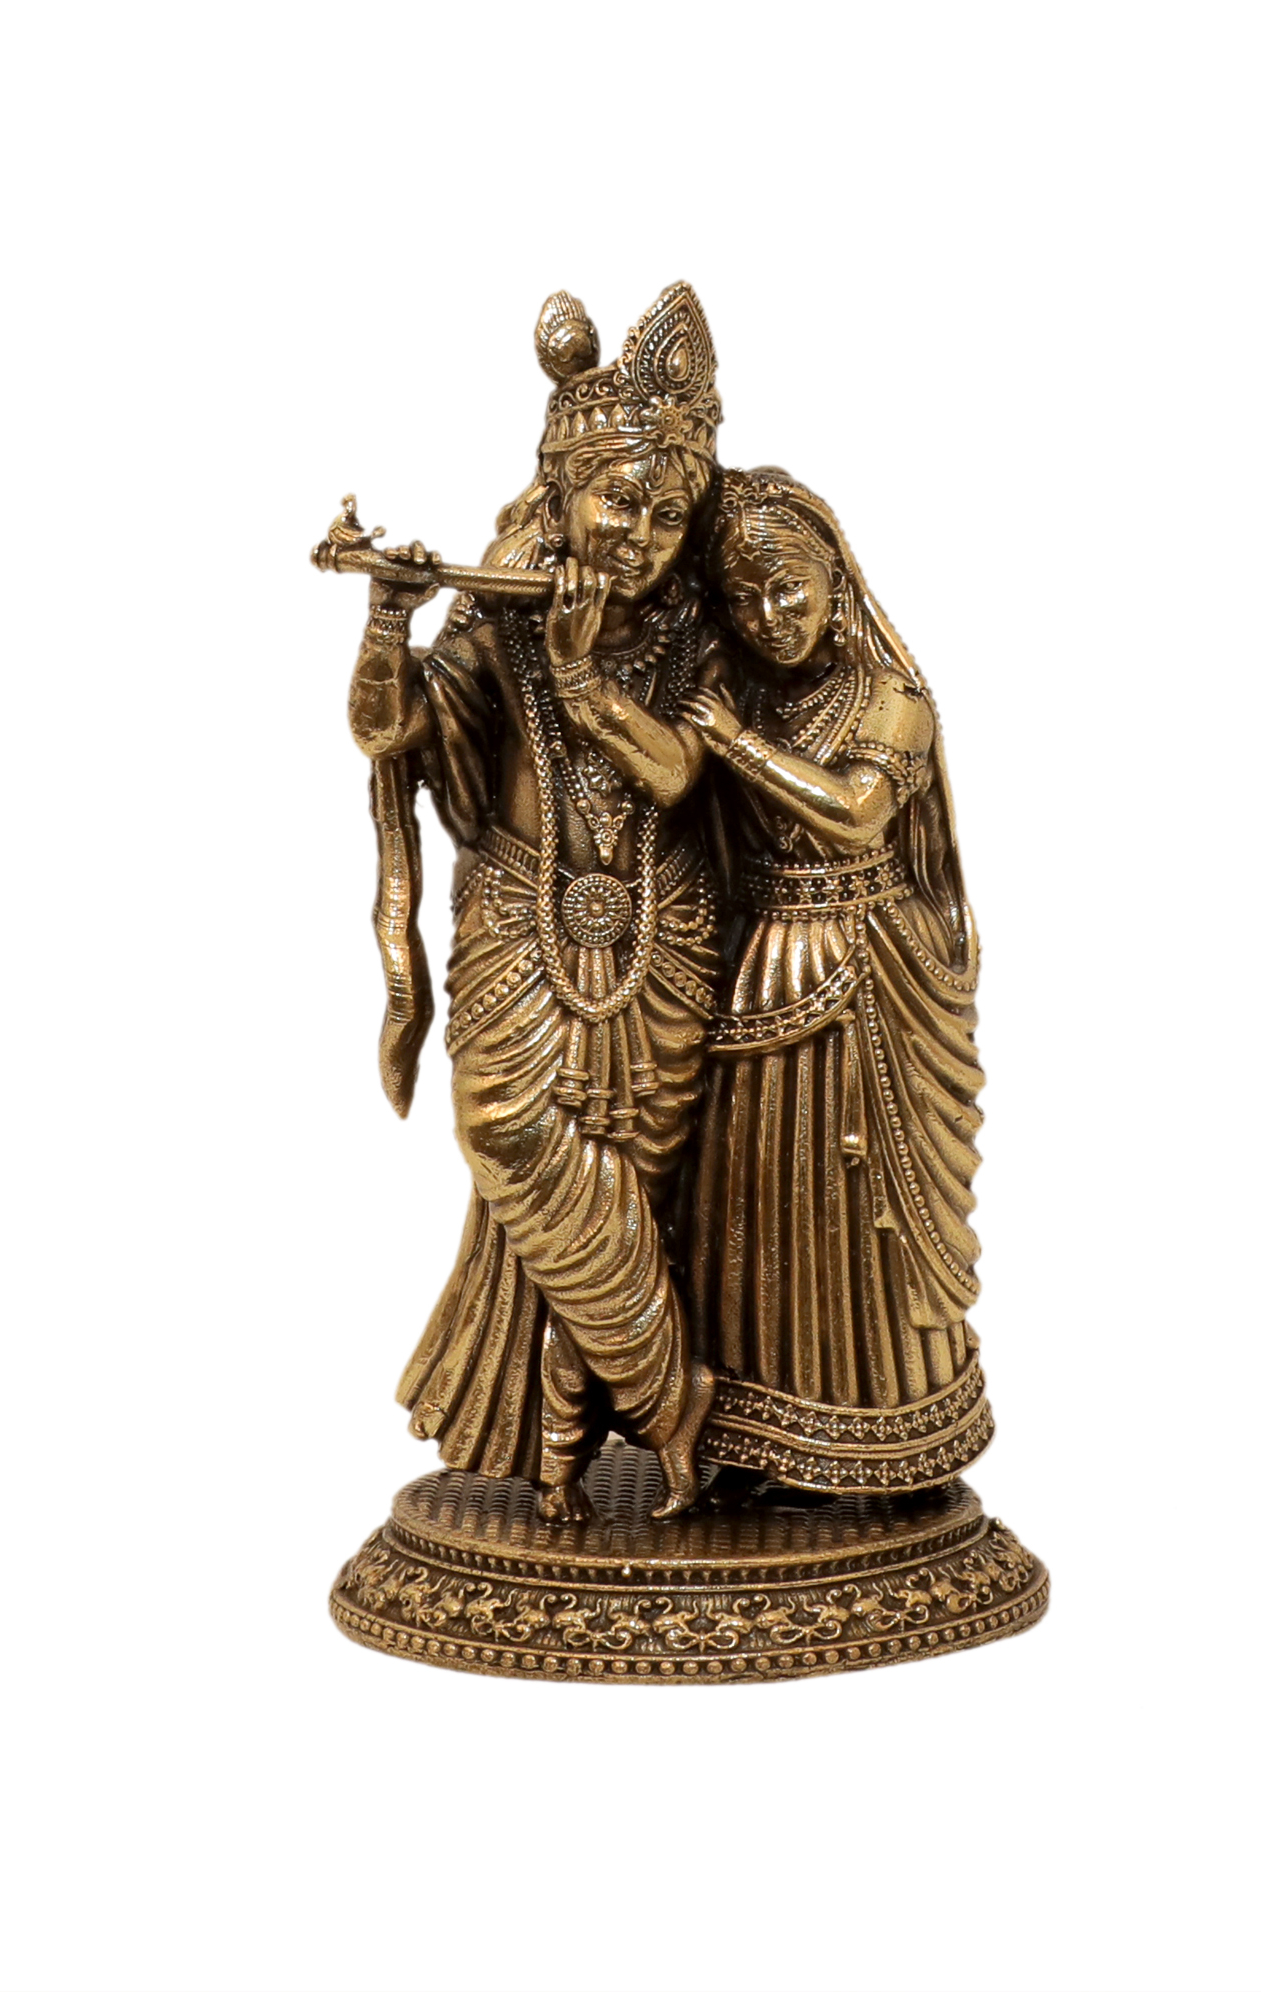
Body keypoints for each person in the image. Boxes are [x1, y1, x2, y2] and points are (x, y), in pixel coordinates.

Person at [348, 286, 729, 1520]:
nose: (642, 538)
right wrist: (388, 622)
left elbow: (675, 770)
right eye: (619, 503)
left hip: (665, 932)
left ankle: (585, 1442)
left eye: (668, 514)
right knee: (508, 1133)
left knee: (627, 1199)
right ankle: (673, 1396)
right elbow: (394, 727)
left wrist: (580, 676)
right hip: (519, 922)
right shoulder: (500, 607)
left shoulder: (692, 621)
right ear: (561, 491)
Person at [680, 468, 994, 1492]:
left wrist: (734, 742)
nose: (768, 616)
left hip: (869, 973)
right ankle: (753, 1434)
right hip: (759, 967)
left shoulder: (890, 701)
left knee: (864, 1198)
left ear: (833, 583)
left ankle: (892, 1438)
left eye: (788, 589)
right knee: (751, 1196)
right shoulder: (741, 688)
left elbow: (858, 813)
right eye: (744, 598)